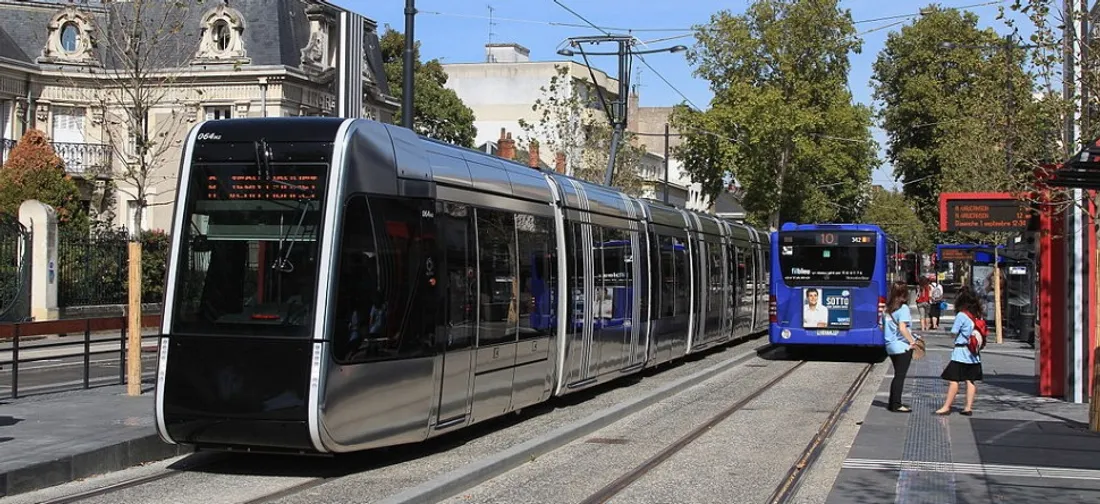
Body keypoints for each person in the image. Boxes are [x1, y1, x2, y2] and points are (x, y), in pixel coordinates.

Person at [935, 286, 984, 416]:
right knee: (970, 381)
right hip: (974, 354)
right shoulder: (977, 315)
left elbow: (953, 332)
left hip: (961, 353)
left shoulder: (961, 315)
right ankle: (968, 407)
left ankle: (946, 406)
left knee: (954, 380)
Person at [883, 280, 918, 413]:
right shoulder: (903, 309)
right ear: (905, 293)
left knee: (897, 375)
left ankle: (893, 402)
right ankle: (896, 404)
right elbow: (903, 328)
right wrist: (912, 342)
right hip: (901, 346)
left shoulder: (887, 309)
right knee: (900, 376)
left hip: (890, 346)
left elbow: (883, 326)